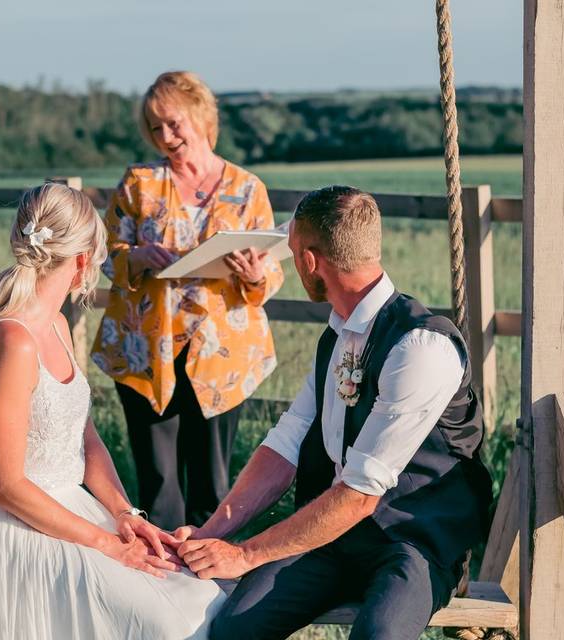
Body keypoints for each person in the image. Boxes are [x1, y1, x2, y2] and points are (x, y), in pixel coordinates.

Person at [175, 186, 494, 640]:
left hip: (412, 540)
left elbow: (361, 494)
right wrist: (210, 533)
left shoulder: (421, 347)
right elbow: (285, 446)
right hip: (331, 537)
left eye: (292, 254)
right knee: (232, 629)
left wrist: (244, 555)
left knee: (377, 636)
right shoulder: (338, 335)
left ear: (309, 261)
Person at [0, 183, 225, 639]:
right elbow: (5, 485)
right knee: (164, 623)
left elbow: (85, 439)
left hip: (70, 511)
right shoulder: (10, 342)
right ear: (83, 262)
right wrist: (107, 545)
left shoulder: (55, 325)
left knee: (201, 598)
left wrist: (125, 515)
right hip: (12, 529)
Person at [91, 71, 284, 530]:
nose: (165, 137)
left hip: (222, 356)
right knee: (158, 489)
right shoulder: (138, 184)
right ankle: (157, 585)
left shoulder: (247, 189)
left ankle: (209, 586)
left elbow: (268, 275)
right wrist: (136, 257)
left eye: (173, 123)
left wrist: (256, 275)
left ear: (200, 116)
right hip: (145, 353)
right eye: (155, 128)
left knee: (213, 489)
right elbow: (104, 257)